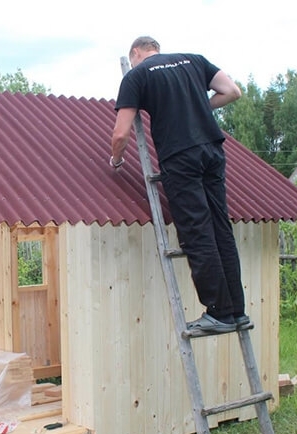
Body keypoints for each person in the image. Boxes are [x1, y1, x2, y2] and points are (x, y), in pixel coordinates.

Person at [110, 36, 251, 334]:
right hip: (212, 149)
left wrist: (116, 160)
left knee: (197, 230)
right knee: (220, 227)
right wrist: (199, 108)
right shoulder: (194, 59)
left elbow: (121, 133)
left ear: (136, 53)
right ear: (156, 48)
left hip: (180, 155)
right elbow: (232, 91)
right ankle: (236, 311)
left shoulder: (137, 75)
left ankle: (219, 313)